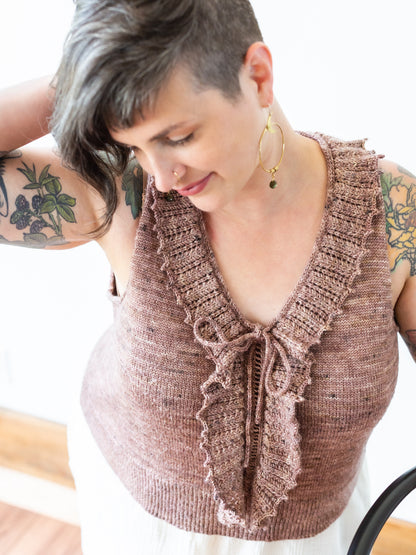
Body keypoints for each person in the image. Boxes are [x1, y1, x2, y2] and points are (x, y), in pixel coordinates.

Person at [1, 0, 415, 553]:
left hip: (320, 536)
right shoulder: (119, 193)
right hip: (143, 525)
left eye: (178, 136)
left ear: (258, 76)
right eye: (135, 146)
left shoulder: (392, 211)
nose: (163, 178)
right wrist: (80, 83)